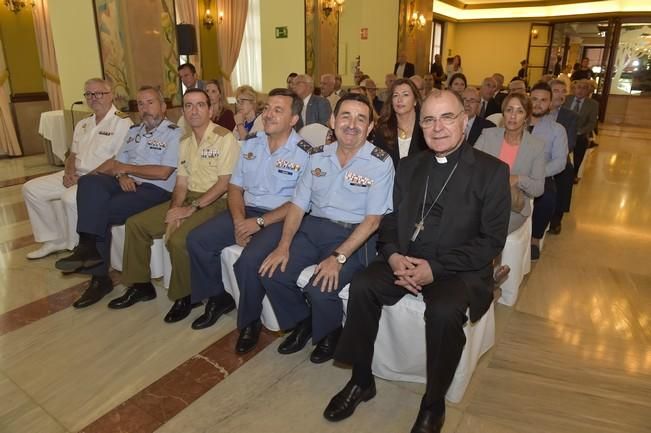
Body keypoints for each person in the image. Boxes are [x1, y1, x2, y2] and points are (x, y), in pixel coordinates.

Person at [323, 90, 510, 433]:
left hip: (457, 269)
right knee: (363, 285)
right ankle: (362, 379)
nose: (437, 128)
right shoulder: (408, 167)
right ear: (420, 125)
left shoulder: (492, 172)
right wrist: (393, 256)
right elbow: (389, 221)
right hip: (405, 257)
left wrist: (434, 269)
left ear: (464, 121)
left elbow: (491, 241)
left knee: (443, 311)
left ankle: (433, 402)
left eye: (447, 117)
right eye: (428, 119)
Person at [257, 93, 395, 363]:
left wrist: (338, 257)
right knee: (272, 272)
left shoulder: (380, 163)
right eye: (345, 116)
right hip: (314, 228)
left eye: (360, 119)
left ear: (369, 128)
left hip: (354, 235)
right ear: (333, 120)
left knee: (320, 288)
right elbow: (297, 205)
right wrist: (283, 245)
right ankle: (303, 322)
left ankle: (331, 334)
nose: (351, 124)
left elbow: (373, 221)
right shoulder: (317, 156)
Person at [183, 88, 311, 334]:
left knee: (249, 261)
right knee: (197, 240)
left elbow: (300, 203)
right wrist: (239, 220)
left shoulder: (305, 153)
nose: (269, 115)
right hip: (247, 210)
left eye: (278, 110)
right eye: (267, 109)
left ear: (294, 119)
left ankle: (250, 322)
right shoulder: (251, 144)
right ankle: (218, 298)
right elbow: (234, 187)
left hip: (279, 217)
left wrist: (259, 223)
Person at [106, 89, 240, 321]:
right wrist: (173, 211)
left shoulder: (224, 137)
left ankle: (186, 296)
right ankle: (140, 286)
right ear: (183, 111)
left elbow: (223, 185)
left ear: (210, 109)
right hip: (188, 196)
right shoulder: (185, 141)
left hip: (217, 201)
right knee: (136, 224)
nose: (194, 110)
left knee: (179, 240)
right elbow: (180, 184)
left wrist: (190, 209)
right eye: (188, 105)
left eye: (200, 105)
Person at [53, 86, 181, 307]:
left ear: (163, 106)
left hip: (156, 189)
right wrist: (122, 173)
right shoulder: (134, 132)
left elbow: (163, 172)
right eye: (140, 104)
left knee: (102, 209)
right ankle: (88, 249)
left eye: (150, 102)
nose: (145, 108)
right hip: (126, 182)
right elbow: (115, 163)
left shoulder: (174, 133)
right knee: (89, 182)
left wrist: (126, 167)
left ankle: (97, 271)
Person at [23, 78, 132, 259]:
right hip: (76, 175)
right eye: (88, 94)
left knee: (69, 198)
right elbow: (72, 154)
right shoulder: (84, 123)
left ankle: (78, 249)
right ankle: (53, 239)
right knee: (31, 189)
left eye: (99, 93)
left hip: (101, 179)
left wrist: (84, 179)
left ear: (111, 95)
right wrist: (68, 173)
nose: (93, 97)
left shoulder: (122, 123)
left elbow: (116, 161)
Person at [475, 92, 545, 233]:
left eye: (519, 111)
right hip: (482, 200)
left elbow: (538, 188)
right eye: (509, 110)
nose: (513, 116)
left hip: (511, 208)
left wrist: (517, 179)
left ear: (526, 117)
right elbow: (470, 168)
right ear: (503, 113)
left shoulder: (536, 146)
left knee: (488, 229)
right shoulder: (487, 135)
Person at [527, 82, 568, 260]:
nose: (537, 104)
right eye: (534, 99)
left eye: (543, 100)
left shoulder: (557, 130)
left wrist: (537, 173)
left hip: (542, 175)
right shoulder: (514, 122)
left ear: (550, 103)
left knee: (548, 197)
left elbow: (560, 161)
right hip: (512, 173)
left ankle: (535, 239)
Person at [372, 78, 426, 167]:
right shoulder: (383, 128)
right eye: (395, 95)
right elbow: (376, 161)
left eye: (405, 95)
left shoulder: (425, 128)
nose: (399, 99)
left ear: (415, 101)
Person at [548, 79, 579, 234]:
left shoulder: (570, 116)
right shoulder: (538, 110)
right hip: (536, 154)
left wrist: (555, 155)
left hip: (558, 155)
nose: (560, 94)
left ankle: (557, 217)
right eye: (556, 90)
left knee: (566, 170)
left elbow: (571, 142)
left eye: (563, 91)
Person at [563, 79, 598, 181]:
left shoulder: (593, 104)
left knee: (582, 143)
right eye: (579, 87)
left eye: (584, 88)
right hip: (564, 131)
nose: (581, 90)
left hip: (580, 133)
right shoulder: (566, 99)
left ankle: (574, 174)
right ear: (574, 89)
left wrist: (581, 131)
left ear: (588, 91)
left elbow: (592, 123)